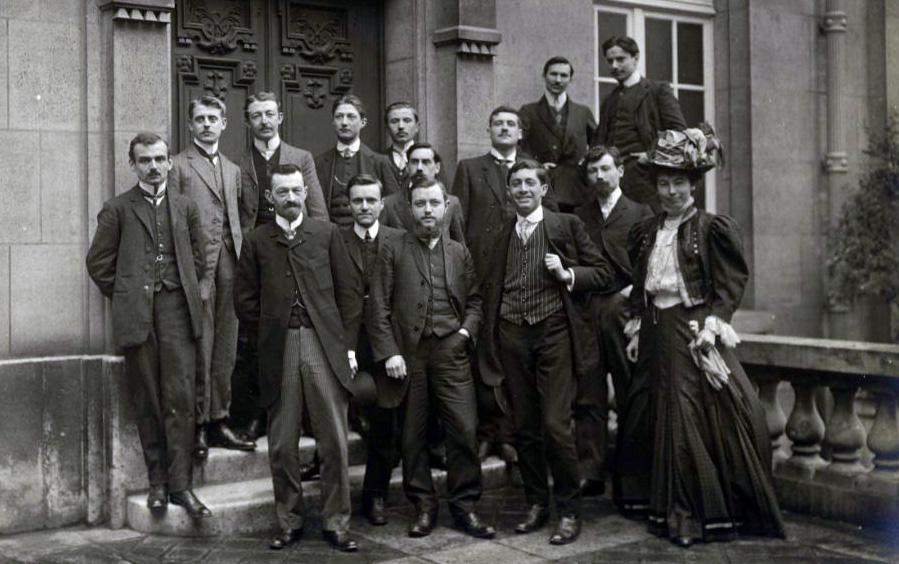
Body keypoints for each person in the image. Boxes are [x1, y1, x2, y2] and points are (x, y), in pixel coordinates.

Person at [625, 127, 785, 547]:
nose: (671, 190)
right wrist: (638, 325)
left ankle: (691, 515)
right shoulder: (645, 231)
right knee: (654, 412)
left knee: (687, 416)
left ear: (693, 184)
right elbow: (641, 283)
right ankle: (661, 507)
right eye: (664, 182)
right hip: (656, 333)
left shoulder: (710, 227)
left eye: (679, 182)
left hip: (690, 329)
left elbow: (730, 286)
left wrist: (713, 325)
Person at [477, 160, 614, 545]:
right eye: (515, 183)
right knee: (525, 427)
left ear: (543, 188)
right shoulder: (502, 233)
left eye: (529, 183)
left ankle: (569, 510)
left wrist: (569, 273)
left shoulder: (565, 226)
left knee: (555, 425)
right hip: (512, 335)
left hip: (553, 331)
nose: (522, 189)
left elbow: (602, 272)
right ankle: (537, 504)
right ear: (509, 191)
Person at [233, 164, 363, 552]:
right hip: (280, 348)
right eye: (282, 192)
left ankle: (337, 522)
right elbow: (244, 300)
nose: (290, 198)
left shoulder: (327, 234)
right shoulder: (257, 240)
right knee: (282, 443)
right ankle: (288, 521)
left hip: (325, 345)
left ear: (306, 193)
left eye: (296, 190)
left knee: (335, 441)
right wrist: (269, 333)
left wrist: (348, 347)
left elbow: (350, 295)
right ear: (270, 198)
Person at [86, 132, 211, 519]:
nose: (153, 166)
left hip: (178, 310)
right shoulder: (117, 209)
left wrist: (180, 289)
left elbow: (199, 259)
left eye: (159, 159)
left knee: (180, 399)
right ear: (133, 165)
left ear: (169, 163)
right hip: (139, 315)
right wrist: (129, 295)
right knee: (148, 400)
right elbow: (99, 264)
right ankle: (157, 483)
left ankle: (181, 486)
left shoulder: (186, 206)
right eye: (145, 160)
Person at [368, 178, 495, 540]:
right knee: (412, 435)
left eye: (434, 203)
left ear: (446, 208)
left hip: (451, 352)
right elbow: (377, 307)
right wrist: (390, 352)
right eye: (420, 203)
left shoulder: (458, 252)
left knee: (465, 429)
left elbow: (474, 301)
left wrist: (465, 334)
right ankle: (424, 505)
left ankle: (465, 506)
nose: (427, 210)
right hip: (409, 356)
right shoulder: (392, 249)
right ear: (410, 209)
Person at [235, 91, 329, 441]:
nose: (264, 120)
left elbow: (317, 209)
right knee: (261, 338)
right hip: (261, 254)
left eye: (270, 114)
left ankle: (307, 415)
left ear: (280, 118)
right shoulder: (240, 162)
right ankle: (260, 413)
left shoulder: (300, 157)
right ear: (248, 122)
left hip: (300, 249)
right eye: (257, 115)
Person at [168, 96, 255, 457]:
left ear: (224, 124)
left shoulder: (234, 169)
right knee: (200, 346)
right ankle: (199, 425)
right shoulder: (178, 166)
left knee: (226, 348)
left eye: (213, 119)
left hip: (230, 266)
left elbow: (242, 216)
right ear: (190, 125)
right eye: (200, 119)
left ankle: (220, 419)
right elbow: (172, 219)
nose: (206, 125)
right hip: (198, 267)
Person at [573, 145, 652, 505]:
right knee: (588, 393)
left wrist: (631, 298)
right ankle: (590, 471)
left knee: (628, 391)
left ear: (620, 170)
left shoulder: (639, 213)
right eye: (593, 171)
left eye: (606, 169)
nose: (600, 177)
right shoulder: (579, 215)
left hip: (624, 308)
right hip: (588, 311)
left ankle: (631, 478)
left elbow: (650, 264)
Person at [451, 106, 527, 472]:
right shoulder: (469, 168)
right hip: (481, 272)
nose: (504, 128)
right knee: (481, 353)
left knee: (511, 352)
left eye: (511, 124)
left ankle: (509, 434)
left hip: (518, 272)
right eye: (498, 123)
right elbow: (458, 224)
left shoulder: (530, 171)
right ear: (488, 129)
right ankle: (484, 431)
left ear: (520, 132)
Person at [340, 174, 405, 526]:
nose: (364, 207)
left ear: (382, 203)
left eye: (370, 200)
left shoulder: (398, 239)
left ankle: (375, 495)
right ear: (349, 205)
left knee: (385, 417)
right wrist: (344, 347)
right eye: (357, 201)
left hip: (389, 342)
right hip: (348, 342)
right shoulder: (336, 239)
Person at [596, 36, 686, 210]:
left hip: (646, 179)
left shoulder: (657, 91)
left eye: (620, 59)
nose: (614, 66)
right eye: (610, 61)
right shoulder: (609, 99)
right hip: (614, 181)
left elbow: (678, 132)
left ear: (636, 58)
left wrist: (651, 156)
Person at [520, 56, 597, 213]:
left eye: (564, 76)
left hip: (576, 191)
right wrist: (535, 166)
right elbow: (517, 148)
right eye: (553, 74)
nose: (558, 80)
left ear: (571, 79)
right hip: (542, 188)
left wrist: (585, 164)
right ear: (544, 75)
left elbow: (598, 144)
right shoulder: (528, 112)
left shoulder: (582, 112)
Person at [315, 95, 400, 227]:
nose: (344, 122)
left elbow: (394, 207)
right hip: (330, 238)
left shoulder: (380, 162)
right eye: (339, 116)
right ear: (332, 121)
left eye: (351, 117)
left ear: (363, 122)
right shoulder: (319, 163)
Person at [381, 142, 465, 243]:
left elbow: (459, 246)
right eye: (414, 162)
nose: (419, 168)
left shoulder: (452, 203)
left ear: (437, 167)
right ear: (407, 167)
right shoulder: (389, 204)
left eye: (426, 162)